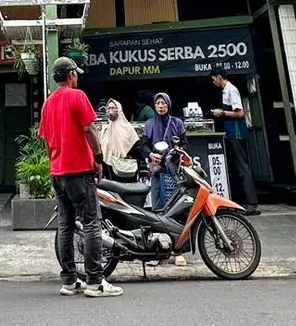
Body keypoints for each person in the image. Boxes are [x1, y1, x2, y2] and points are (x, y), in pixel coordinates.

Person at [38, 57, 123, 299]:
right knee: (91, 223)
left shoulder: (47, 103)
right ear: (72, 75)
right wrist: (98, 158)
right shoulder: (77, 96)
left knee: (65, 224)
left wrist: (53, 162)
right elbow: (89, 129)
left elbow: (46, 141)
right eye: (76, 73)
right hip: (78, 171)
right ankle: (95, 282)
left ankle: (69, 280)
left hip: (58, 172)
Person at [212, 71, 260, 216]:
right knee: (238, 168)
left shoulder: (231, 90)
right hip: (231, 132)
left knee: (242, 167)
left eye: (214, 79)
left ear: (220, 77)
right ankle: (244, 201)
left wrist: (221, 113)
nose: (213, 82)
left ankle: (252, 203)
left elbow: (240, 113)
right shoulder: (225, 91)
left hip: (237, 133)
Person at [143, 92, 187, 210]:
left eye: (163, 103)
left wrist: (178, 151)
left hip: (174, 167)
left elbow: (184, 143)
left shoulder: (177, 123)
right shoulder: (149, 124)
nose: (160, 106)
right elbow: (144, 145)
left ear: (168, 105)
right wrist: (151, 154)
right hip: (157, 167)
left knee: (174, 195)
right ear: (154, 106)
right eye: (157, 103)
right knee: (157, 195)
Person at [100, 99, 145, 178]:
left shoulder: (128, 128)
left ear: (119, 109)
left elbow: (137, 148)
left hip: (126, 169)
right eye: (108, 108)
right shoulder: (104, 131)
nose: (111, 110)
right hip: (109, 170)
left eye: (113, 108)